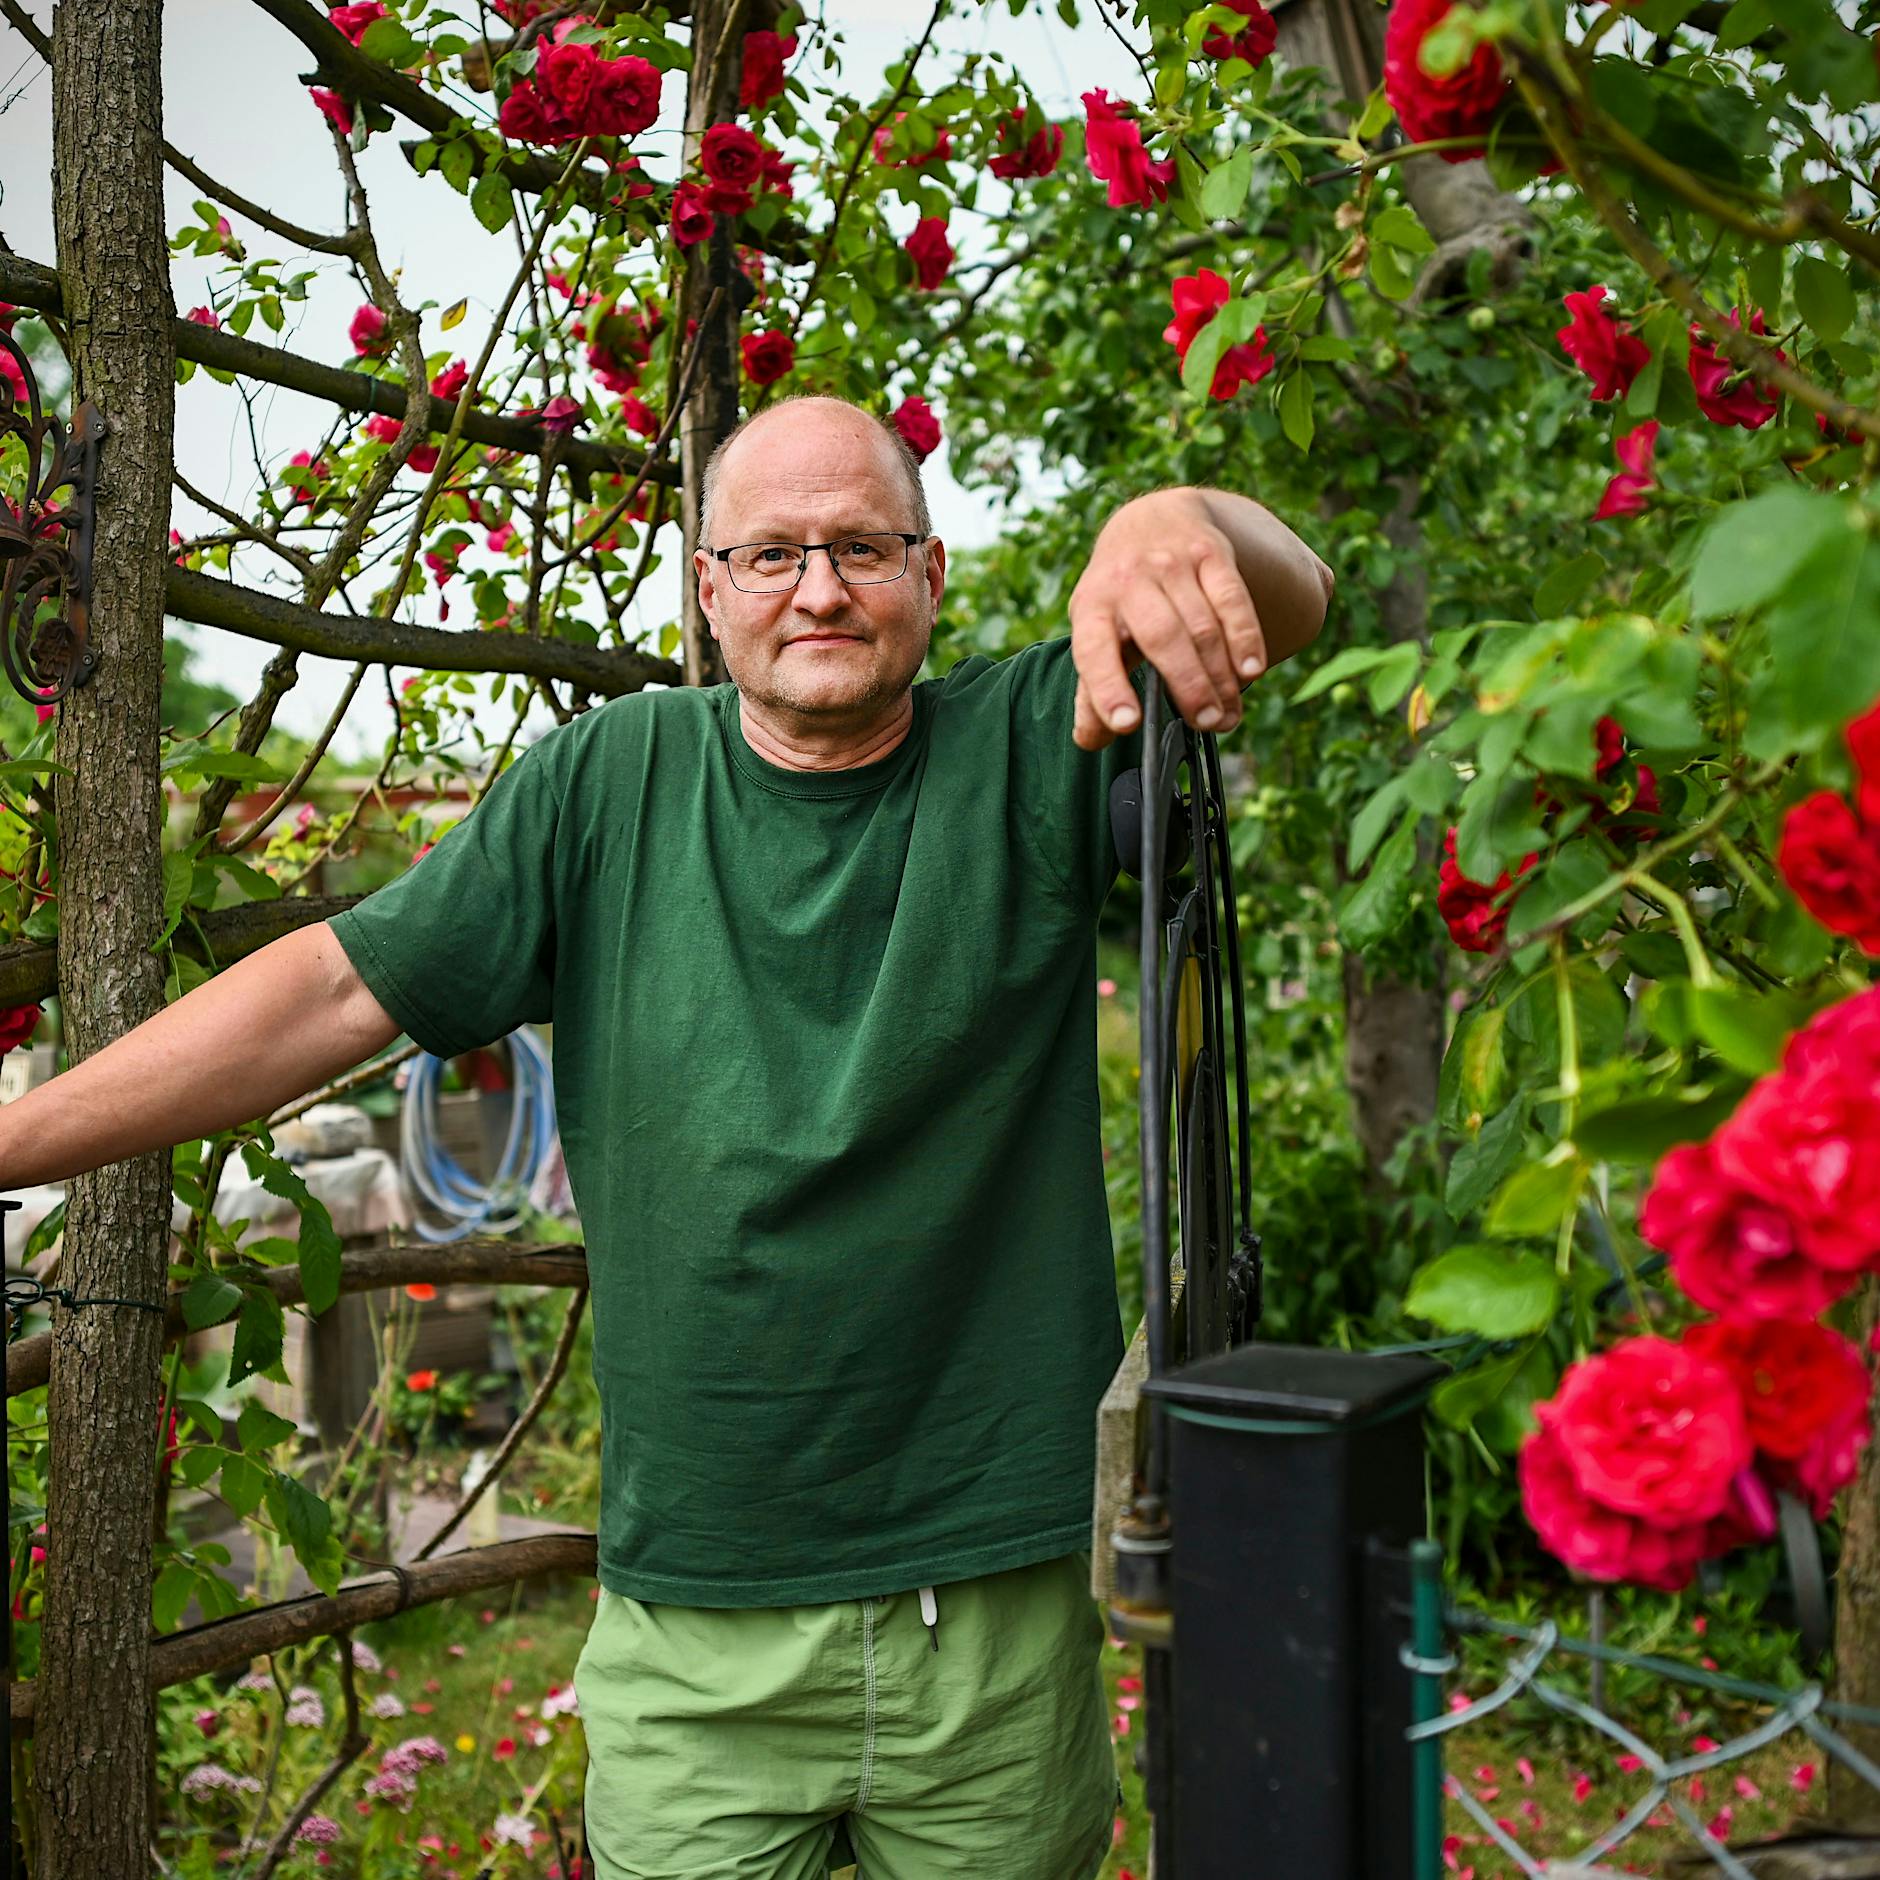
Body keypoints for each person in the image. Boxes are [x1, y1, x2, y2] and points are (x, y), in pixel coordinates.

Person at [0, 395, 1332, 1879]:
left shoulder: (1034, 743)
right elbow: (328, 987)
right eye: (769, 554)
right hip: (696, 1635)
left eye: (861, 547)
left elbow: (1298, 589)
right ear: (707, 592)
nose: (818, 586)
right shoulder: (608, 784)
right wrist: (12, 1141)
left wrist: (1181, 522)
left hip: (993, 1627)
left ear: (932, 574)